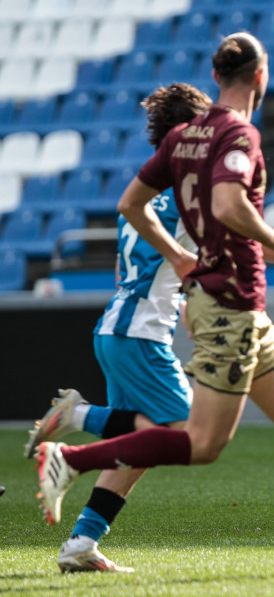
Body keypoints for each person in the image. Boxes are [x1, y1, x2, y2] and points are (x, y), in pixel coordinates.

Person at [35, 32, 274, 574]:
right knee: (202, 440)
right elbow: (232, 206)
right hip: (229, 304)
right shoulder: (238, 133)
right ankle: (70, 458)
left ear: (216, 76)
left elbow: (130, 204)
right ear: (262, 75)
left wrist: (189, 258)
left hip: (237, 306)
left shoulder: (183, 137)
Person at [26, 83, 214, 572]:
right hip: (140, 335)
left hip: (118, 327)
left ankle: (81, 544)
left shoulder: (144, 192)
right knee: (187, 430)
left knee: (139, 449)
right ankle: (76, 421)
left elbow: (128, 268)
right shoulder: (184, 195)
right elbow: (207, 257)